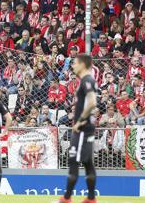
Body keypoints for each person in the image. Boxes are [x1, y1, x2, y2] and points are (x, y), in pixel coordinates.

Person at [59, 54, 97, 203]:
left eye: (74, 63)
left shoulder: (87, 80)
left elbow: (92, 102)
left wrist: (80, 121)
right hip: (87, 128)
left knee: (73, 160)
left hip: (83, 129)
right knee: (88, 163)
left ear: (82, 64)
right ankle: (91, 198)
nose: (72, 66)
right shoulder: (87, 80)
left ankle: (66, 198)